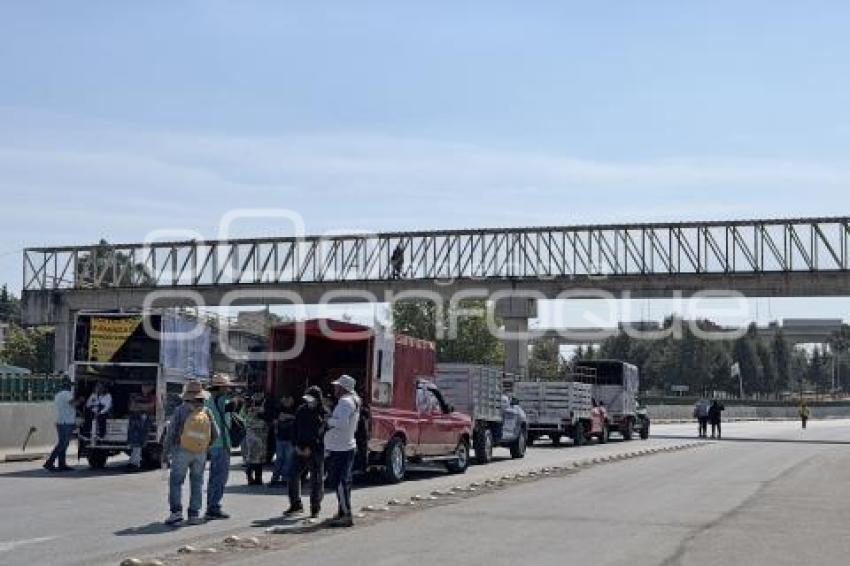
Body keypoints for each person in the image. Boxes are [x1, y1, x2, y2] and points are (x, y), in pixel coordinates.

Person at [163, 381, 218, 526]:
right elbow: (216, 433)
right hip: (200, 452)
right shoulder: (207, 411)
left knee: (176, 482)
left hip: (181, 450)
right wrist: (205, 445)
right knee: (197, 482)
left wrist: (165, 452)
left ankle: (176, 513)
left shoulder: (180, 410)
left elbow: (171, 432)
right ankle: (194, 515)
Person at [285, 385, 327, 519]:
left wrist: (311, 447)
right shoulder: (301, 410)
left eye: (311, 398)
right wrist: (296, 445)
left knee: (316, 480)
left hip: (315, 450)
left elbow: (322, 433)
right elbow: (294, 428)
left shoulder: (323, 413)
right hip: (299, 448)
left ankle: (315, 508)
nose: (308, 401)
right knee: (292, 475)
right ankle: (295, 504)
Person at [324, 375, 361, 528]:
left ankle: (346, 515)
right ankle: (342, 511)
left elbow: (343, 423)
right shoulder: (355, 399)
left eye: (337, 386)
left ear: (343, 388)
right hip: (345, 445)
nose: (334, 388)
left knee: (340, 483)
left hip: (341, 447)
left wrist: (328, 420)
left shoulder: (345, 402)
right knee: (344, 482)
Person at [205, 374, 238, 520]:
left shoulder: (208, 400)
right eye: (226, 386)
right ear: (221, 387)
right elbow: (232, 409)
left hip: (212, 443)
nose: (228, 388)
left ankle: (211, 506)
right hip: (221, 443)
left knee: (214, 476)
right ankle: (213, 507)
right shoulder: (222, 400)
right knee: (220, 477)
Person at [44, 379, 77, 472]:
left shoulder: (58, 395)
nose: (71, 387)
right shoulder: (67, 394)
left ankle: (62, 464)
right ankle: (49, 462)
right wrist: (80, 401)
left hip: (60, 421)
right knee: (62, 443)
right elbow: (73, 403)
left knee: (64, 444)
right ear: (67, 386)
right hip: (66, 422)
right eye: (70, 385)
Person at [126, 382, 156, 472]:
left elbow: (150, 406)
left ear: (151, 388)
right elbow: (131, 407)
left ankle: (135, 463)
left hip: (144, 422)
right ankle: (134, 462)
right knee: (134, 441)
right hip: (135, 421)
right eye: (143, 386)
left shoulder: (152, 397)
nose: (144, 388)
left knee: (138, 442)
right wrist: (143, 407)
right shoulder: (135, 396)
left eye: (147, 386)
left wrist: (138, 405)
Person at [269, 394, 296, 487]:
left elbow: (298, 419)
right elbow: (274, 420)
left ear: (292, 399)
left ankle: (285, 479)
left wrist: (288, 416)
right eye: (285, 398)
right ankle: (274, 478)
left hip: (290, 438)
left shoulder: (296, 409)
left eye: (288, 398)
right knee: (279, 459)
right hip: (280, 437)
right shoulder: (278, 409)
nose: (286, 400)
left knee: (288, 459)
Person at [241, 391, 268, 486]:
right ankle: (249, 478)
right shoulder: (247, 403)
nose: (258, 396)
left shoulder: (266, 403)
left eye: (260, 394)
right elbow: (242, 416)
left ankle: (258, 479)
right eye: (256, 394)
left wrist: (261, 414)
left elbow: (268, 416)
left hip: (262, 433)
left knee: (260, 458)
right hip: (251, 432)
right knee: (251, 457)